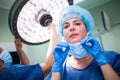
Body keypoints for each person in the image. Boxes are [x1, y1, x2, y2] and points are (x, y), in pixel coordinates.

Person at [47, 5, 120, 80]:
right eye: (66, 26)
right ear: (63, 36)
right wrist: (56, 68)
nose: (71, 28)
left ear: (87, 30)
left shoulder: (112, 58)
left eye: (77, 23)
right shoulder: (59, 70)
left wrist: (102, 61)